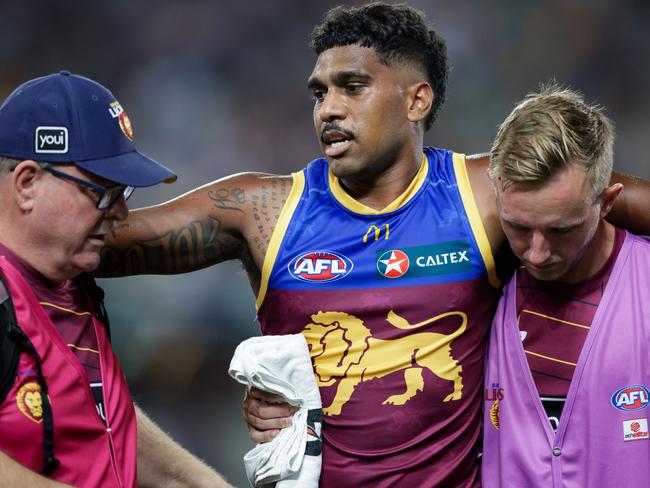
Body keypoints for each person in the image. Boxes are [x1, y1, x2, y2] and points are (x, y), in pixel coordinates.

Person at [99, 3, 650, 487]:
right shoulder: (261, 211)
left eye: (353, 87)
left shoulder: (483, 194)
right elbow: (87, 244)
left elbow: (591, 198)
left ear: (417, 100)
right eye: (320, 92)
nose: (329, 109)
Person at [0, 72, 231, 487]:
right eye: (103, 191)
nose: (121, 213)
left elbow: (97, 418)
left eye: (123, 192)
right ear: (28, 184)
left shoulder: (72, 281)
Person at [482, 86, 650, 486]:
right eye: (519, 227)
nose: (537, 254)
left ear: (607, 202)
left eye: (561, 230)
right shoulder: (476, 280)